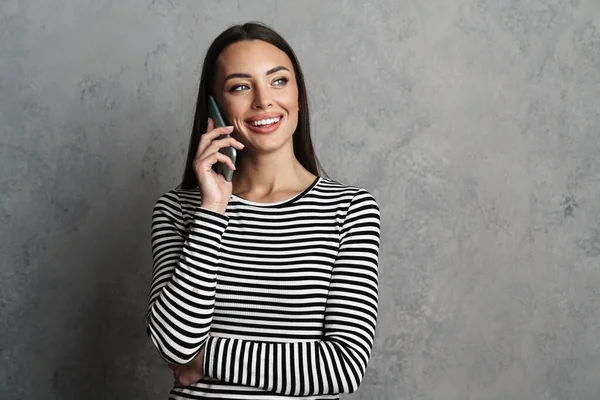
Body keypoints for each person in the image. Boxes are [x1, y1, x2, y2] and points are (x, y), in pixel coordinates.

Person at [146, 21, 381, 400]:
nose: (263, 101)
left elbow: (343, 366)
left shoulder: (350, 209)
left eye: (278, 81)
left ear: (298, 96)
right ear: (216, 107)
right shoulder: (176, 210)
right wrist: (212, 210)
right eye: (240, 86)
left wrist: (204, 359)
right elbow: (174, 345)